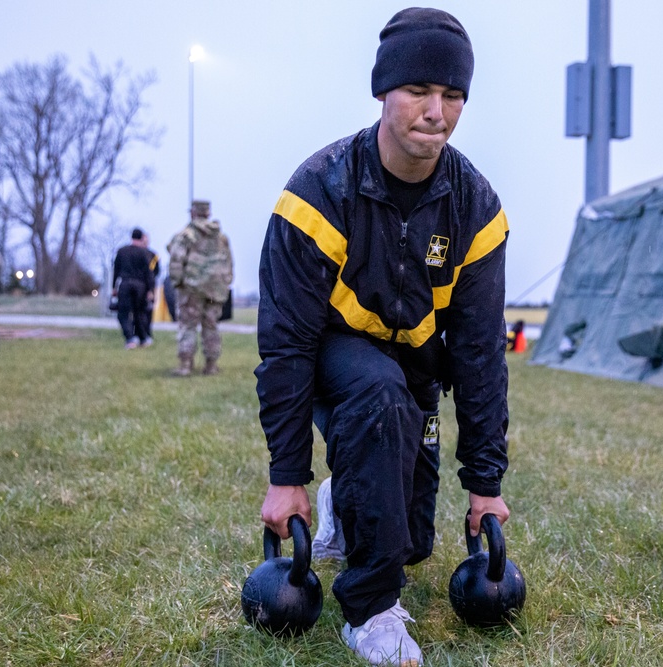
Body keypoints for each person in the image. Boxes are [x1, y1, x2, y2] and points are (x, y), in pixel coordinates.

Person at [255, 8, 510, 666]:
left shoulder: (476, 211)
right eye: (419, 91)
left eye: (452, 95)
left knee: (411, 540)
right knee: (379, 393)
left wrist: (485, 484)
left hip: (415, 369)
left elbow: (481, 355)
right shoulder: (316, 195)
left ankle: (353, 502)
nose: (436, 111)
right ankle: (369, 610)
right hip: (334, 359)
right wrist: (287, 478)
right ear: (383, 92)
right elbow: (284, 345)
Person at [167, 200, 233, 376]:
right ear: (208, 213)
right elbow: (229, 262)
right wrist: (225, 283)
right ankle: (211, 365)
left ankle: (185, 365)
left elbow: (176, 259)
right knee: (211, 326)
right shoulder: (221, 237)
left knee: (188, 325)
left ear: (193, 213)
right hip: (215, 290)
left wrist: (177, 282)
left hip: (192, 289)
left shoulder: (186, 235)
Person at [112, 228, 154, 349]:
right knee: (139, 313)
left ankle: (130, 338)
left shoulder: (122, 251)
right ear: (141, 238)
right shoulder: (144, 253)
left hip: (125, 284)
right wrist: (150, 289)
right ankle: (142, 338)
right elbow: (148, 272)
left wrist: (114, 287)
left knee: (123, 313)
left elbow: (116, 270)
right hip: (140, 286)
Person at [140, 233, 161, 341]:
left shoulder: (153, 255)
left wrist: (151, 287)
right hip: (139, 285)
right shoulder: (136, 254)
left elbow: (156, 271)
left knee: (148, 311)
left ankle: (147, 332)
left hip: (149, 286)